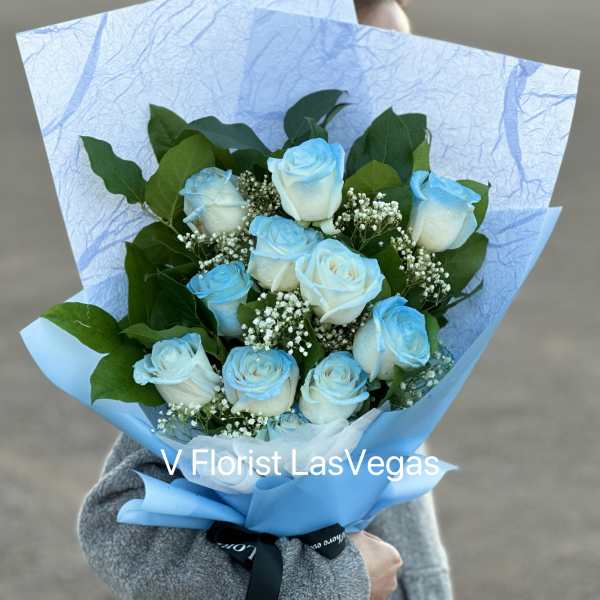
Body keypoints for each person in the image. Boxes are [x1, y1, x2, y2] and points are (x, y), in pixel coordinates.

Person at [78, 2, 452, 599]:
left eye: (401, 67)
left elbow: (395, 492)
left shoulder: (386, 302)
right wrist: (335, 579)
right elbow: (118, 526)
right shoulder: (221, 339)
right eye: (367, 69)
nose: (388, 109)